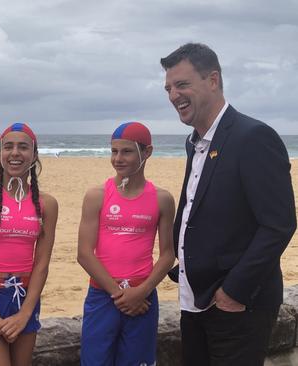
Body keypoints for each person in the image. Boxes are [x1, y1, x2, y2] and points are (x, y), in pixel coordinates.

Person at [161, 43, 296, 365]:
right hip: (195, 298)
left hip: (237, 305)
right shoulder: (194, 142)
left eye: (182, 84)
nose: (173, 95)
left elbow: (279, 223)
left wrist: (234, 292)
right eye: (168, 88)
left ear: (213, 80)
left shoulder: (253, 137)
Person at [77, 121, 175, 365]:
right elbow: (84, 253)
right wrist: (119, 294)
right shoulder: (96, 195)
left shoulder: (162, 199)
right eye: (114, 151)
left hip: (143, 298)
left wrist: (141, 292)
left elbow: (167, 254)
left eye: (127, 151)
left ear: (147, 152)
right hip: (103, 296)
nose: (118, 158)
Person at [0, 123, 58, 366]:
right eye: (8, 147)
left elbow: (42, 264)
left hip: (24, 297)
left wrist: (25, 312)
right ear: (0, 152)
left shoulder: (47, 204)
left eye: (23, 147)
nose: (15, 153)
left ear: (34, 154)